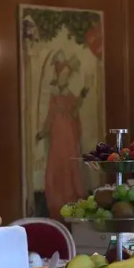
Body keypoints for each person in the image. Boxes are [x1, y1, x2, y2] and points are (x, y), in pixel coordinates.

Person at [36, 50, 88, 217]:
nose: (63, 78)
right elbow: (49, 117)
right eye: (61, 75)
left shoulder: (71, 96)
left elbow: (74, 112)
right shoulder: (54, 97)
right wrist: (43, 133)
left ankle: (71, 201)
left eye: (66, 75)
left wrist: (82, 96)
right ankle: (56, 204)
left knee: (69, 166)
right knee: (56, 166)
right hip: (57, 136)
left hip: (68, 135)